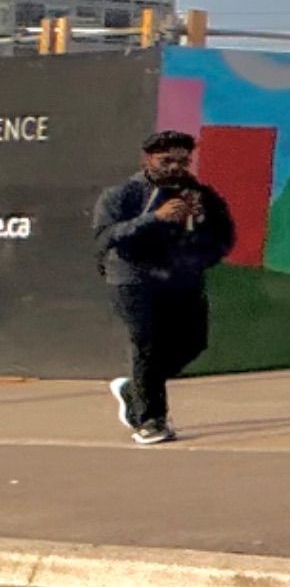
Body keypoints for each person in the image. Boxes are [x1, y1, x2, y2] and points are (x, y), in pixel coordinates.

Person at [93, 127, 233, 446]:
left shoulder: (200, 195)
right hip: (133, 280)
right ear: (148, 159)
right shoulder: (123, 194)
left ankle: (134, 389)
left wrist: (201, 226)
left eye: (182, 162)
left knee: (193, 343)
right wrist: (155, 218)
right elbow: (105, 237)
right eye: (166, 160)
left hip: (181, 280)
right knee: (148, 347)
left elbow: (223, 238)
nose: (174, 168)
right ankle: (151, 421)